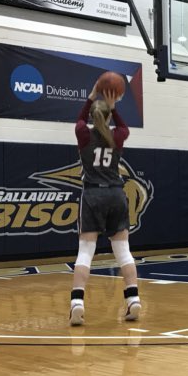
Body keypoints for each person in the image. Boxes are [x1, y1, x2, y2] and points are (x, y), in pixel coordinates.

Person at [69, 77, 141, 326]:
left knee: (85, 251)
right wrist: (113, 106)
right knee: (123, 251)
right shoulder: (117, 136)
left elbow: (79, 121)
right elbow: (125, 128)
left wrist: (91, 97)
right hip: (116, 194)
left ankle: (77, 303)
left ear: (92, 116)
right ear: (109, 117)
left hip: (93, 195)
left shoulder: (84, 135)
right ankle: (133, 299)